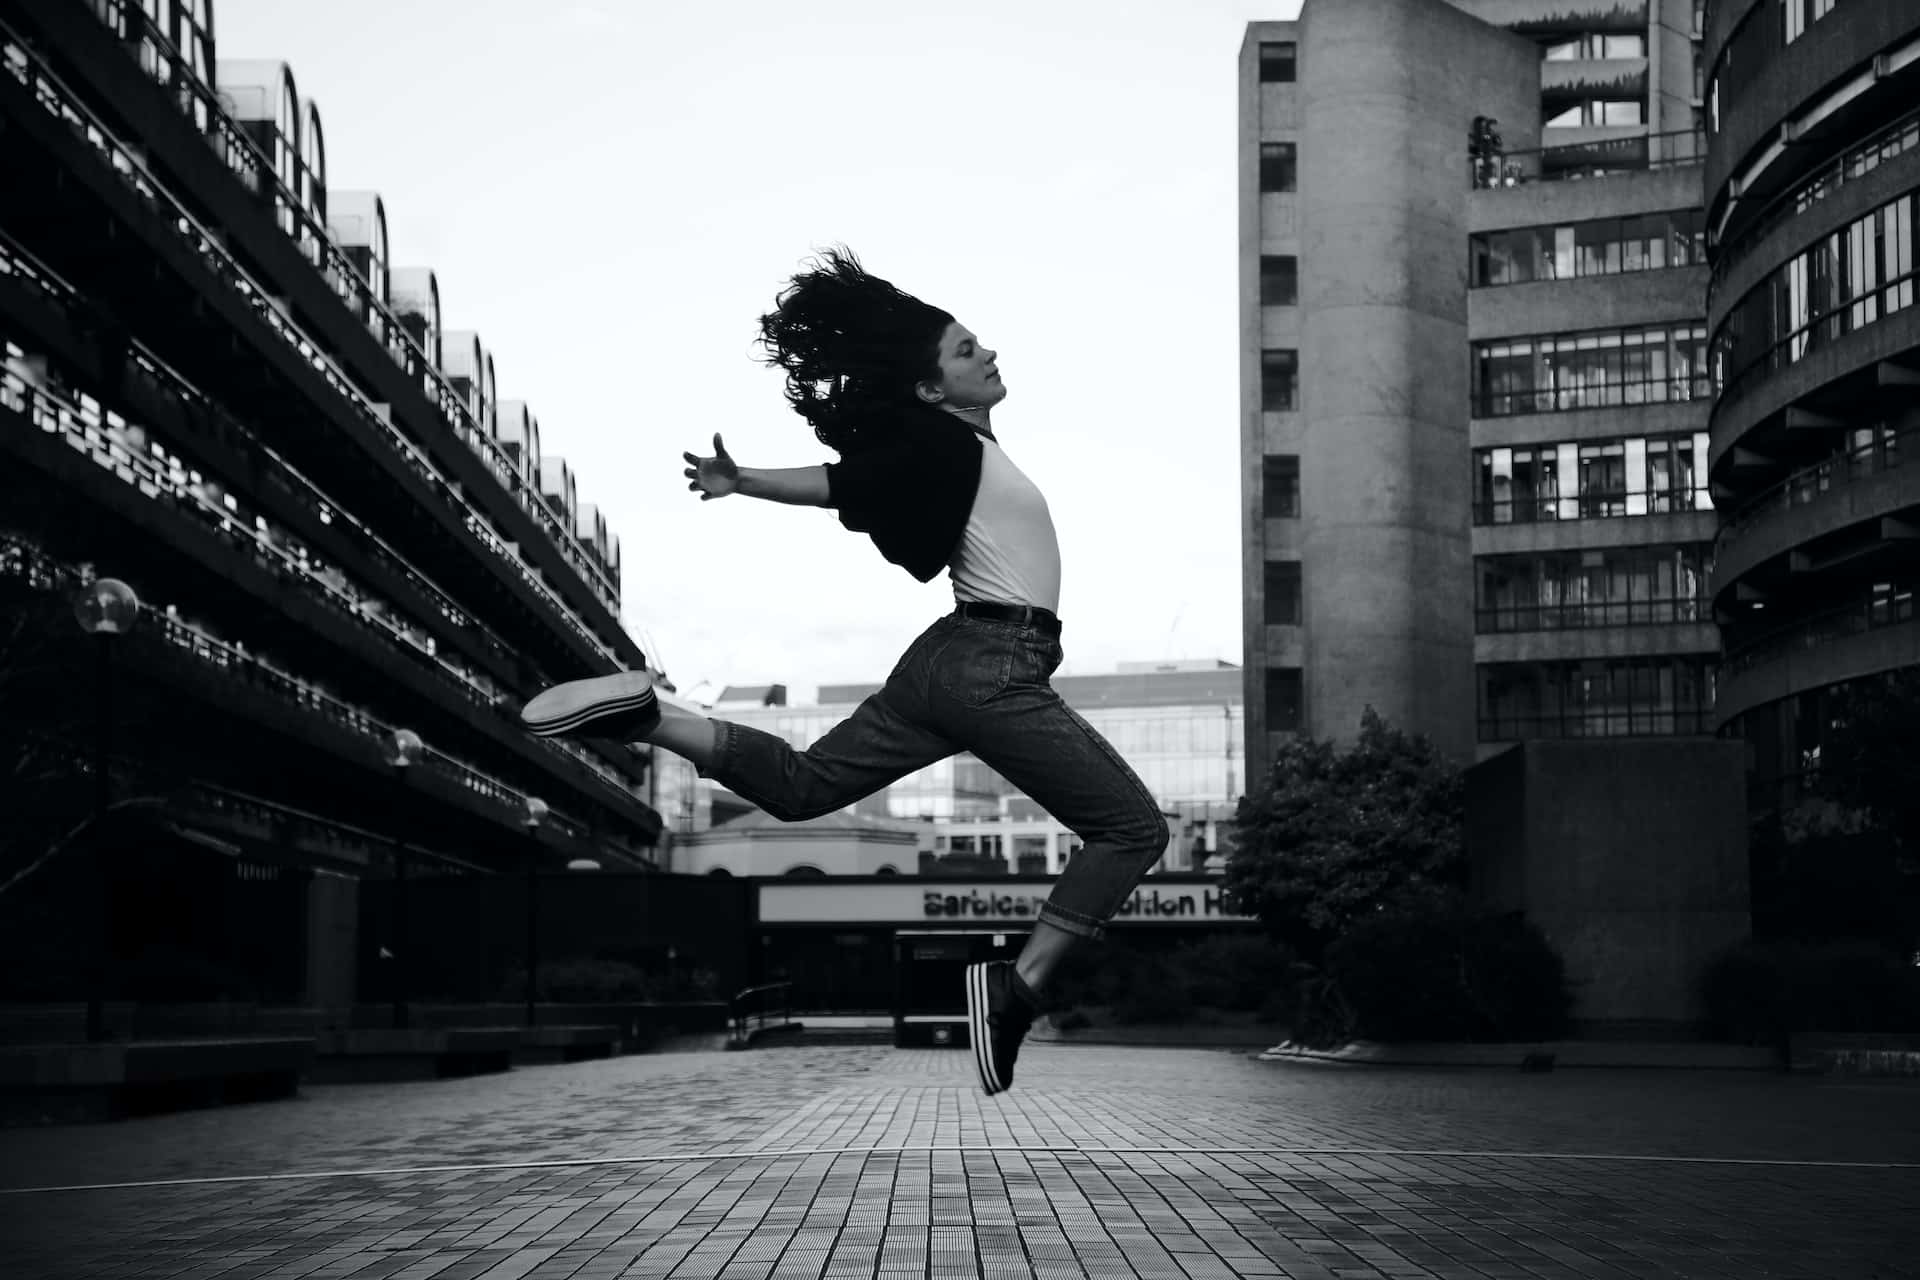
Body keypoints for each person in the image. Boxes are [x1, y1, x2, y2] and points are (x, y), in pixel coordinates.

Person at [519, 248, 1168, 1094]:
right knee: (1133, 830)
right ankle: (1017, 988)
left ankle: (652, 718)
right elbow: (844, 482)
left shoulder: (960, 445)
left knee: (801, 787)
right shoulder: (948, 448)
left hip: (948, 661)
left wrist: (744, 478)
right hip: (991, 663)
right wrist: (745, 478)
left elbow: (860, 480)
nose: (990, 353)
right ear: (933, 389)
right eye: (968, 350)